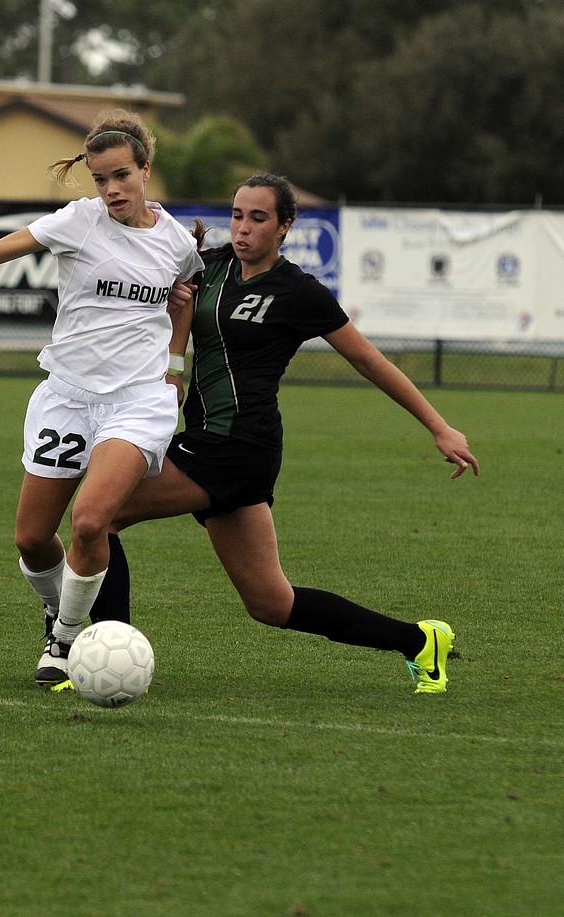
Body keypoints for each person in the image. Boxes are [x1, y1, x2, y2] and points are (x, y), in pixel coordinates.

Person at [86, 172, 479, 695]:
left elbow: (368, 360)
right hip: (212, 441)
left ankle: (101, 652)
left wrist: (438, 425)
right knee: (272, 603)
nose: (243, 228)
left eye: (259, 218)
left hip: (237, 446)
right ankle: (419, 641)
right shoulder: (212, 268)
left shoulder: (299, 291)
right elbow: (157, 308)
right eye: (237, 215)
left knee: (101, 516)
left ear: (285, 226)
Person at [0, 110, 204, 687]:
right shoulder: (78, 222)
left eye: (122, 177)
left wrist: (174, 372)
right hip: (68, 396)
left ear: (145, 171)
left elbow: (183, 303)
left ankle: (63, 641)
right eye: (101, 179)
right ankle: (63, 610)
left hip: (136, 401)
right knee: (33, 538)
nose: (111, 190)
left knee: (90, 521)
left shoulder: (178, 242)